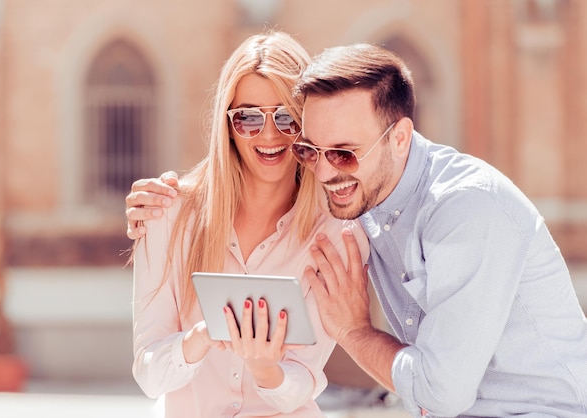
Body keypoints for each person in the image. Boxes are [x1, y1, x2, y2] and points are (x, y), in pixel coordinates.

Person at [126, 42, 587, 417]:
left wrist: (350, 333)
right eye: (314, 150)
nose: (327, 173)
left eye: (344, 153)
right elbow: (149, 368)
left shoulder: (454, 211)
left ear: (400, 137)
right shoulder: (353, 205)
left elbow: (438, 393)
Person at [129, 31, 369, 418]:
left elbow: (303, 382)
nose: (269, 134)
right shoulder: (166, 215)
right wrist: (202, 337)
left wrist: (265, 369)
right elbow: (150, 374)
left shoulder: (336, 235)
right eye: (249, 117)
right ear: (228, 124)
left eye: (287, 116)